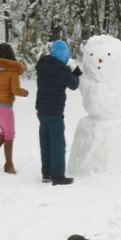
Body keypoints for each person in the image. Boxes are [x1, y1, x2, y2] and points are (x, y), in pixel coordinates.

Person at [35, 40, 82, 185]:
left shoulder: (42, 65)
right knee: (57, 144)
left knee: (45, 142)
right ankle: (58, 175)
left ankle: (46, 173)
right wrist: (76, 73)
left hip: (42, 110)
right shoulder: (62, 72)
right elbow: (74, 85)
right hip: (55, 112)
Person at [0, 43, 29, 174]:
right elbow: (15, 90)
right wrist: (25, 92)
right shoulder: (12, 71)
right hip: (4, 107)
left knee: (4, 132)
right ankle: (9, 164)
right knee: (9, 134)